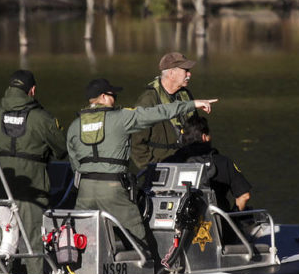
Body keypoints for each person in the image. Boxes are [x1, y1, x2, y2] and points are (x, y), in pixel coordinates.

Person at [67, 78, 217, 259]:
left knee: (84, 238)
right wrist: (192, 104)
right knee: (139, 237)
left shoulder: (75, 125)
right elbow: (158, 112)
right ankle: (152, 270)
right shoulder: (121, 117)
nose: (115, 98)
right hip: (113, 189)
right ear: (104, 97)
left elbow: (74, 162)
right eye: (113, 95)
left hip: (85, 190)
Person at [0, 69, 67, 274]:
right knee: (32, 240)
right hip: (32, 189)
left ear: (10, 88)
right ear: (32, 90)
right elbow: (62, 150)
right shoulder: (42, 118)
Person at [165, 113, 251, 213]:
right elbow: (245, 195)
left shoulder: (171, 161)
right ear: (204, 137)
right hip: (217, 224)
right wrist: (233, 217)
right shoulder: (223, 162)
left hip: (178, 222)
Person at [130, 52, 199, 169]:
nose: (189, 74)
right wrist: (150, 167)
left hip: (188, 163)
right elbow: (135, 143)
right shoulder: (148, 100)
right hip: (160, 166)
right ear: (171, 73)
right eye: (185, 71)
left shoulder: (185, 95)